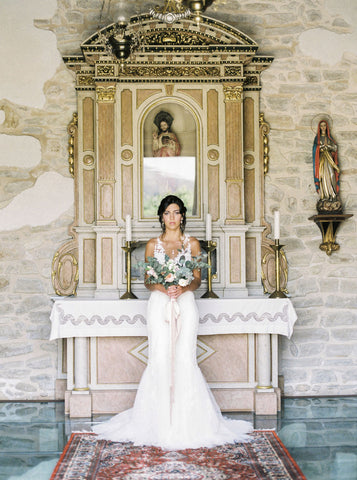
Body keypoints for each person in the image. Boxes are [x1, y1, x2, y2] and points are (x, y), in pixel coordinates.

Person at [93, 195, 253, 450]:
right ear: (161, 217)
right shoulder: (151, 245)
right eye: (167, 213)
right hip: (159, 304)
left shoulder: (194, 244)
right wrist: (163, 286)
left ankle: (191, 423)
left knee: (185, 358)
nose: (171, 217)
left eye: (176, 212)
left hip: (186, 303)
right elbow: (146, 280)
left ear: (182, 216)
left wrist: (182, 286)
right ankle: (155, 422)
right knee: (159, 357)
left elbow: (199, 279)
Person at [313, 119, 339, 200]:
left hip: (329, 160)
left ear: (327, 127)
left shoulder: (329, 138)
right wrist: (320, 147)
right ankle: (325, 196)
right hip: (321, 160)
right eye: (321, 126)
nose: (323, 127)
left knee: (331, 175)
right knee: (323, 176)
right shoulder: (317, 138)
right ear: (319, 127)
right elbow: (314, 149)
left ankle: (333, 195)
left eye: (324, 126)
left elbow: (335, 148)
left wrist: (328, 147)